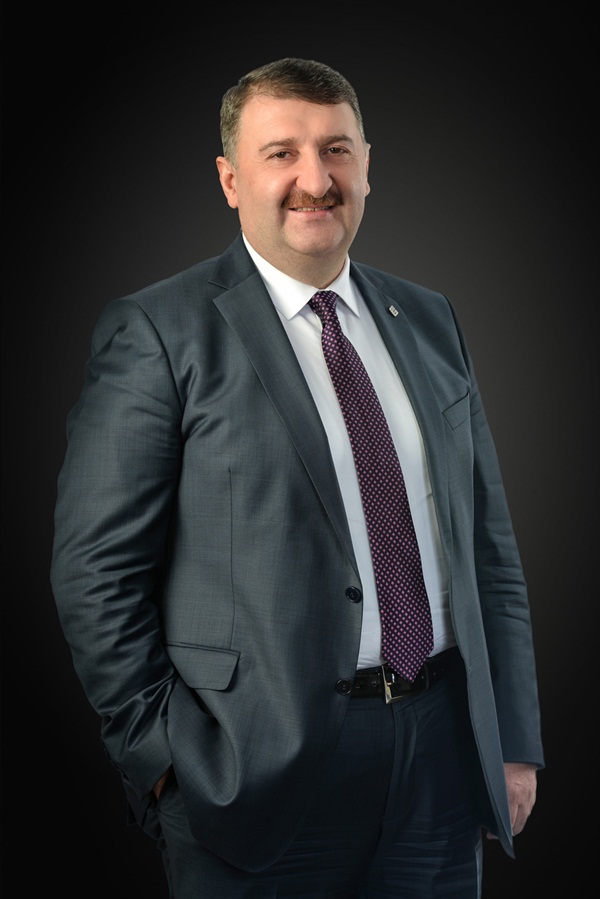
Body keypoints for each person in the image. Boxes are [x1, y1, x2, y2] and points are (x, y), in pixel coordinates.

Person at [50, 57, 544, 898]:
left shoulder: (429, 317)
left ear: (367, 166)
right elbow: (94, 572)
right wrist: (166, 761)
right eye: (281, 153)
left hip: (440, 760)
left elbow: (488, 547)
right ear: (229, 179)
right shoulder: (160, 332)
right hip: (253, 775)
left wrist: (515, 739)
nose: (315, 180)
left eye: (336, 150)